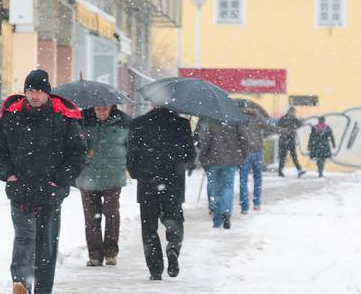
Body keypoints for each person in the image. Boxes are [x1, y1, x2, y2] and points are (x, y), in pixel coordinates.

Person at [0, 69, 87, 294]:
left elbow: (78, 154)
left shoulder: (63, 118)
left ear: (48, 93)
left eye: (39, 91)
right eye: (30, 91)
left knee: (46, 247)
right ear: (25, 92)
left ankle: (42, 290)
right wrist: (8, 175)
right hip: (20, 189)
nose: (34, 95)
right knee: (24, 238)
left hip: (50, 193)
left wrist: (59, 180)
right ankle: (20, 283)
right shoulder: (11, 116)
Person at [127, 106, 195, 281]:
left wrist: (138, 173)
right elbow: (189, 156)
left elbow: (131, 157)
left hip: (147, 184)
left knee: (149, 227)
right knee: (174, 220)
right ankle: (173, 247)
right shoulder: (181, 124)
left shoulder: (138, 124)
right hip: (173, 183)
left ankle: (155, 269)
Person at [75, 105, 130, 267]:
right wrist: (85, 150)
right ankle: (95, 255)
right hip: (88, 176)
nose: (102, 112)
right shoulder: (82, 121)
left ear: (112, 107)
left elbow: (130, 146)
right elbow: (75, 144)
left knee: (111, 213)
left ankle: (111, 253)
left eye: (105, 108)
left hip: (113, 176)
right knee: (91, 217)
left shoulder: (123, 122)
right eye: (98, 109)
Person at [198, 119, 245, 229]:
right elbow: (244, 141)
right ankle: (226, 211)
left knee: (215, 190)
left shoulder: (210, 121)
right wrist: (242, 157)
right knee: (228, 187)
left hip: (213, 160)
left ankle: (217, 218)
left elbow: (205, 142)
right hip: (231, 160)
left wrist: (202, 158)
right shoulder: (235, 121)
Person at [238, 108, 280, 213]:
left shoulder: (239, 121)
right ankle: (256, 203)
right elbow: (270, 127)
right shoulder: (258, 120)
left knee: (243, 180)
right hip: (257, 152)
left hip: (245, 153)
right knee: (258, 178)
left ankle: (244, 207)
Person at [277, 107, 306, 178]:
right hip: (289, 140)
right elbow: (300, 125)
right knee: (293, 157)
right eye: (293, 112)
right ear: (292, 112)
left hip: (283, 140)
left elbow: (278, 126)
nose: (294, 113)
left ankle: (280, 171)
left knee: (283, 157)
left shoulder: (283, 118)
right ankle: (299, 170)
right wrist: (301, 121)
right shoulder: (293, 119)